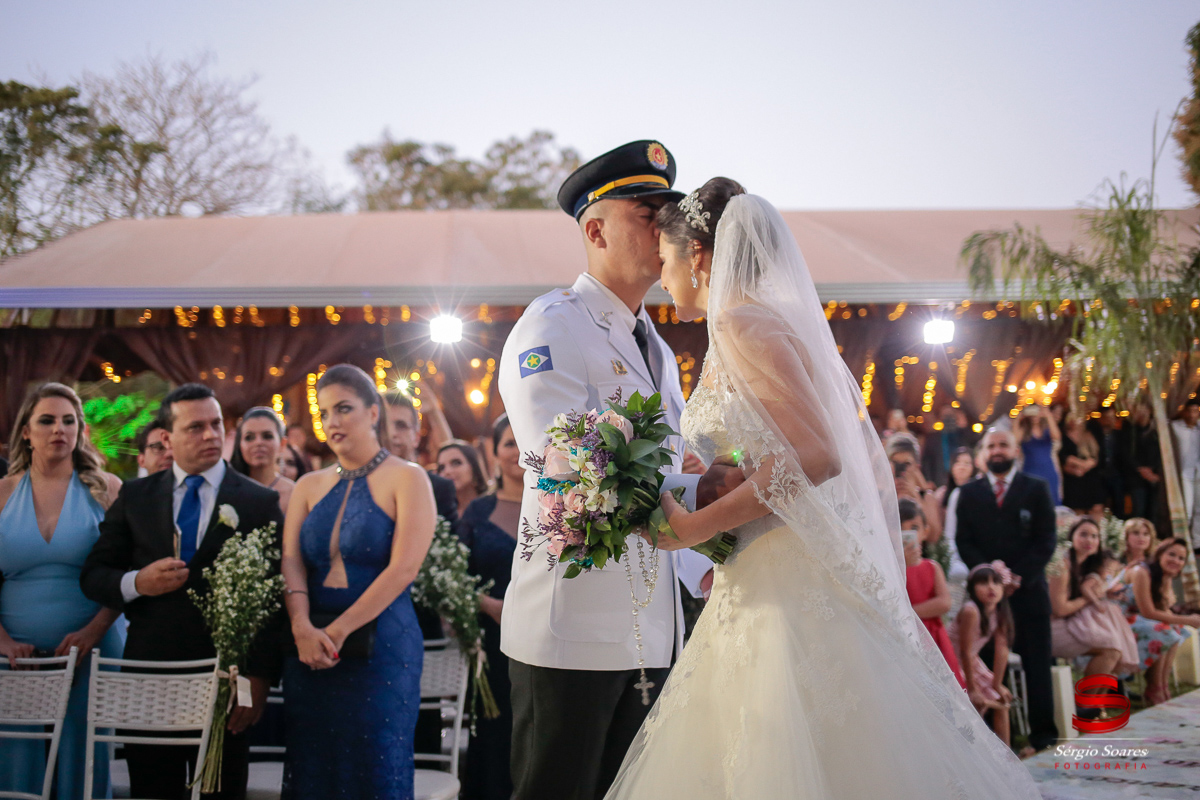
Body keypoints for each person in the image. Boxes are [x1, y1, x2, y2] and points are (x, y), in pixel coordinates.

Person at [602, 182, 1040, 798]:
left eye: (668, 263)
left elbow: (815, 455)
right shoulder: (760, 321)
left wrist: (697, 527)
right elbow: (779, 446)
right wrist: (718, 474)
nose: (663, 279)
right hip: (769, 560)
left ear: (699, 255)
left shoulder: (739, 320)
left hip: (782, 574)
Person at [498, 141, 714, 800]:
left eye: (669, 214)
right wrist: (705, 494)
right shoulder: (554, 324)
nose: (666, 230)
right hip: (574, 625)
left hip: (653, 627)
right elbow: (558, 454)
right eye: (647, 214)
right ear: (596, 230)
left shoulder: (659, 348)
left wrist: (711, 530)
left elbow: (673, 463)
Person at [81, 383, 284, 800]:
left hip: (226, 682)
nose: (210, 435)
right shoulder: (135, 496)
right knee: (153, 790)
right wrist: (138, 582)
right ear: (168, 438)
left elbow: (272, 598)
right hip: (150, 677)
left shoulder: (259, 501)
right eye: (195, 427)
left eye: (216, 425)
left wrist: (258, 678)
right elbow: (94, 574)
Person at [280, 364, 435, 800]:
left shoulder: (409, 478)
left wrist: (337, 632)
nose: (332, 422)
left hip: (381, 649)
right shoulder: (306, 485)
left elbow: (405, 568)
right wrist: (301, 627)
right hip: (309, 651)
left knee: (375, 765)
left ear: (373, 413)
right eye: (324, 412)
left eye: (343, 409)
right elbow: (291, 559)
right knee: (313, 765)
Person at [0, 383, 124, 800]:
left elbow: (125, 574)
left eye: (69, 421)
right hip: (14, 657)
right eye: (47, 420)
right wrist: (4, 644)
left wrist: (93, 632)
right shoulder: (1, 493)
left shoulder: (106, 489)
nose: (59, 429)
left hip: (94, 648)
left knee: (83, 764)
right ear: (26, 432)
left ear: (81, 430)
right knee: (17, 763)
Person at [955, 427, 1058, 753]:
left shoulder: (1036, 488)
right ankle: (994, 744)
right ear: (983, 453)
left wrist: (1017, 576)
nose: (997, 450)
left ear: (1016, 451)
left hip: (1028, 592)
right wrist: (990, 577)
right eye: (991, 446)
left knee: (1037, 665)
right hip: (986, 601)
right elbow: (963, 541)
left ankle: (1043, 737)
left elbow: (1046, 540)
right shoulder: (969, 493)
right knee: (984, 668)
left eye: (1003, 445)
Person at [454, 414, 522, 800]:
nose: (516, 451)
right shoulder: (478, 512)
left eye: (522, 440)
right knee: (496, 734)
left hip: (548, 640)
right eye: (507, 443)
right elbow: (456, 575)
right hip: (492, 643)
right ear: (494, 454)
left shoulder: (562, 505)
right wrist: (490, 606)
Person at [1047, 517, 1138, 679]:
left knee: (1116, 649)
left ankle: (1097, 703)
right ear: (1071, 537)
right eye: (1083, 534)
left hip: (1071, 621)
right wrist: (1089, 598)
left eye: (1094, 536)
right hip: (1051, 628)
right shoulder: (1062, 565)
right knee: (1112, 650)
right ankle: (1087, 702)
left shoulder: (1087, 566)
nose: (1089, 540)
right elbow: (1060, 609)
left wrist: (1104, 594)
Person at [1113, 537, 1200, 705]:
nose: (1176, 560)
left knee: (1176, 629)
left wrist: (1180, 620)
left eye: (1181, 558)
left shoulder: (1162, 575)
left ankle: (1161, 685)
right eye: (1172, 554)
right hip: (1115, 619)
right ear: (1160, 554)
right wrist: (1188, 619)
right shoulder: (1141, 572)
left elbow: (1163, 610)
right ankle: (1154, 686)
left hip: (1136, 619)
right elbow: (1148, 612)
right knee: (1163, 630)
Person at [950, 564, 1017, 751]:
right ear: (972, 589)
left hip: (971, 661)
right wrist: (972, 689)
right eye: (983, 582)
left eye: (996, 582)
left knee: (1001, 700)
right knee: (975, 706)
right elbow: (963, 651)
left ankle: (1008, 757)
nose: (991, 588)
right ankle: (974, 754)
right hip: (954, 662)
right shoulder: (971, 610)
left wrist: (997, 683)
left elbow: (1002, 650)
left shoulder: (999, 612)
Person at [900, 498, 964, 687]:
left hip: (933, 638)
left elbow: (945, 602)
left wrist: (908, 613)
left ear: (925, 531)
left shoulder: (932, 567)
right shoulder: (892, 569)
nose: (907, 533)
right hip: (906, 637)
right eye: (900, 527)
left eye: (914, 527)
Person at [384, 391, 458, 520]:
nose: (392, 433)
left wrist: (435, 412)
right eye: (384, 426)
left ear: (416, 437)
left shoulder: (439, 489)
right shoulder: (356, 483)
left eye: (401, 425)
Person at [230, 407, 295, 514]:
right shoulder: (227, 490)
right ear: (239, 444)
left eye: (267, 436)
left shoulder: (294, 494)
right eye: (249, 437)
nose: (258, 443)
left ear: (282, 444)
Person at [939, 447, 978, 617]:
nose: (962, 467)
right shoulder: (944, 494)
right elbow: (949, 532)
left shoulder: (978, 491)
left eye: (967, 463)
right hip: (952, 552)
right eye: (958, 463)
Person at [922, 404, 979, 488]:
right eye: (945, 415)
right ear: (940, 417)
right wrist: (928, 480)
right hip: (940, 480)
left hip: (964, 478)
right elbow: (926, 462)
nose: (948, 418)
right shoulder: (932, 439)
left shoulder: (965, 434)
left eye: (951, 415)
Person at [1060, 414, 1106, 518]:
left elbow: (1096, 457)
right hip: (1072, 480)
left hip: (1090, 478)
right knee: (1076, 511)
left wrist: (1085, 466)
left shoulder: (1088, 435)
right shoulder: (1062, 436)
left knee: (1096, 509)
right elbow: (1063, 458)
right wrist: (1077, 465)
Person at [1015, 404, 1061, 505]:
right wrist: (1019, 418)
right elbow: (1014, 440)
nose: (1034, 415)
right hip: (1030, 470)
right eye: (1032, 412)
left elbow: (1057, 437)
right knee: (1031, 501)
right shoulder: (1024, 430)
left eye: (1036, 412)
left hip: (1048, 469)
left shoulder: (1047, 429)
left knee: (1051, 500)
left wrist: (1048, 415)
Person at [1089, 405, 1129, 518]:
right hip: (1099, 474)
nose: (1110, 420)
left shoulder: (1120, 435)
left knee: (1118, 503)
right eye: (1107, 417)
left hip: (1116, 474)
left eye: (1112, 417)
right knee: (1099, 503)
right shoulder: (1095, 434)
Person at [1171, 398, 1200, 545]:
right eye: (1190, 411)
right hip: (1183, 472)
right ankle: (1182, 540)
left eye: (1195, 411)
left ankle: (1196, 543)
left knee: (1198, 509)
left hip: (1198, 471)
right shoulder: (1175, 427)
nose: (1192, 415)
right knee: (1186, 509)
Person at [436, 440, 488, 515]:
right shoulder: (439, 513)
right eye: (442, 468)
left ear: (474, 466)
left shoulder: (495, 505)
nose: (447, 471)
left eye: (456, 463)